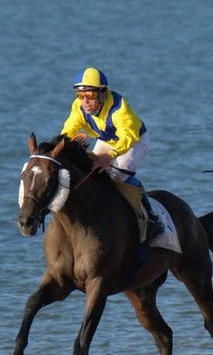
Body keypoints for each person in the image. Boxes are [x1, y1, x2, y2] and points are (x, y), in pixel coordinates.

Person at [59, 66, 163, 240]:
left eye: (90, 96)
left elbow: (128, 136)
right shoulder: (79, 106)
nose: (85, 101)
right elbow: (69, 129)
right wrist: (58, 148)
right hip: (108, 139)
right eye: (80, 95)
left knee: (115, 176)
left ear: (102, 93)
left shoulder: (119, 108)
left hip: (134, 141)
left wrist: (109, 156)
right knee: (92, 172)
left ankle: (152, 218)